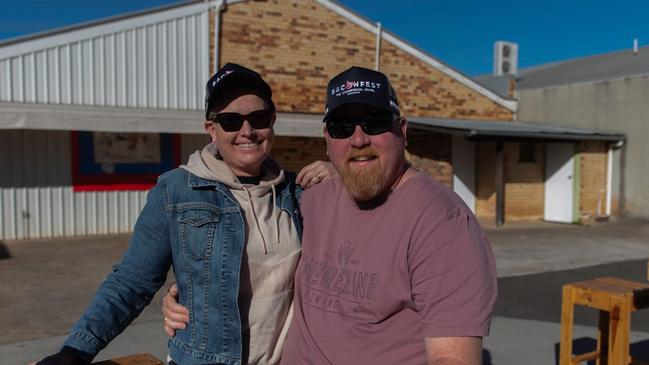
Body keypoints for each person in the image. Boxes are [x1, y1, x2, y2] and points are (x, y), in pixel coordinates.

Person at [164, 66, 498, 364]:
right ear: (327, 140)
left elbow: (453, 358)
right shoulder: (311, 200)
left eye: (375, 123)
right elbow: (254, 253)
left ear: (402, 130)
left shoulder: (442, 224)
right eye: (341, 127)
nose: (358, 138)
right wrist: (194, 290)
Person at [32, 63, 333, 365]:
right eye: (230, 121)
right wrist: (75, 351)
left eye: (259, 118)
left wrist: (339, 173)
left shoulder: (297, 192)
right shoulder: (175, 190)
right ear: (211, 130)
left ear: (272, 122)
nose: (247, 131)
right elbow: (130, 283)